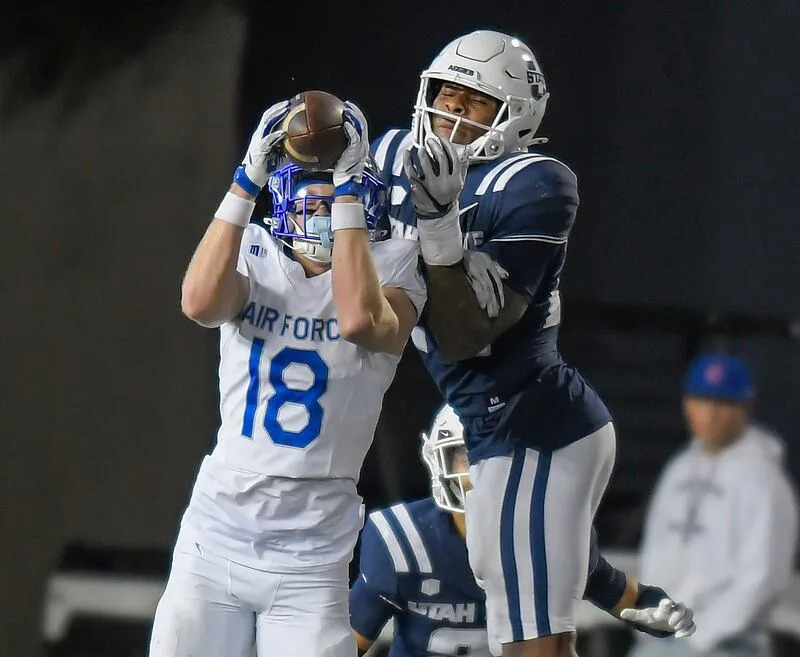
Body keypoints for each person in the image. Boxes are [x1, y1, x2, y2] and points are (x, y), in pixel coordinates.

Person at [148, 97, 426, 657]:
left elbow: (358, 319)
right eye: (317, 196)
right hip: (218, 528)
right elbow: (199, 302)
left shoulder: (393, 264)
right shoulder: (255, 250)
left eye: (339, 195)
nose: (325, 209)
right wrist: (245, 179)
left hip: (312, 549)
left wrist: (347, 188)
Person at [371, 30, 617, 656]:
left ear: (514, 115)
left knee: (532, 635)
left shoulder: (534, 183)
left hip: (534, 427)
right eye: (446, 95)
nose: (451, 113)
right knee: (515, 622)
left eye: (474, 102)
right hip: (492, 429)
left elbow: (464, 337)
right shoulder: (392, 153)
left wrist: (439, 229)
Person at [350, 405, 696, 657]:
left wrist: (657, 611)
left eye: (497, 459)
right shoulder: (402, 541)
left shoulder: (550, 534)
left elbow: (625, 598)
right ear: (442, 460)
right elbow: (347, 643)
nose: (483, 473)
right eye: (468, 458)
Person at [628, 354, 798, 657]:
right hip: (663, 638)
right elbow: (655, 552)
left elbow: (762, 578)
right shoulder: (679, 469)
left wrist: (702, 635)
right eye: (701, 400)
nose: (709, 414)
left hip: (727, 645)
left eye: (722, 403)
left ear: (745, 408)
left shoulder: (764, 479)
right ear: (686, 404)